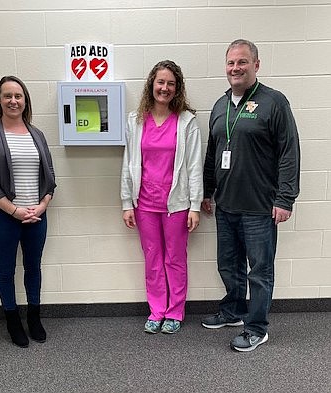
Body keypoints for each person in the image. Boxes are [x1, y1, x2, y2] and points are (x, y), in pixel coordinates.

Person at [201, 39, 300, 351]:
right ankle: (233, 311)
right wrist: (207, 191)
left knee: (259, 271)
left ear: (256, 65)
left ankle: (257, 327)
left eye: (242, 62)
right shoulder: (219, 106)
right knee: (227, 265)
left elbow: (289, 152)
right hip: (226, 206)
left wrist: (285, 198)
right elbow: (212, 153)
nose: (235, 68)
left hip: (259, 208)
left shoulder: (274, 102)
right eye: (231, 63)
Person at [0, 76, 56, 348]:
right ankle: (12, 321)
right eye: (7, 95)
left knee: (34, 267)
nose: (13, 101)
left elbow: (50, 177)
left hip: (37, 216)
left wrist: (42, 206)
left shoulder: (37, 135)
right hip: (4, 218)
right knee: (6, 270)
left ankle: (34, 318)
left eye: (18, 96)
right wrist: (15, 211)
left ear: (25, 100)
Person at [121, 60, 203, 334]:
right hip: (144, 203)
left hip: (176, 205)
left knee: (175, 259)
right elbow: (128, 162)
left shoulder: (186, 122)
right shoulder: (135, 120)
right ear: (151, 84)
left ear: (177, 88)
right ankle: (156, 310)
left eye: (170, 83)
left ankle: (175, 311)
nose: (164, 88)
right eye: (160, 82)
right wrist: (126, 203)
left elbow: (193, 166)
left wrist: (194, 206)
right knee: (153, 259)